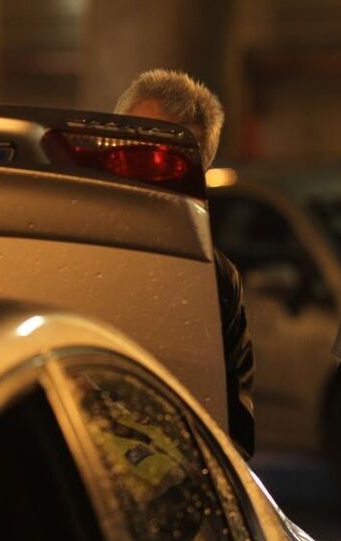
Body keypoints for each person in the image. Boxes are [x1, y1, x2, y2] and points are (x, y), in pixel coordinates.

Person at [115, 69, 256, 459]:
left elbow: (232, 432)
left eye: (170, 160)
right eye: (139, 147)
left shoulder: (214, 278)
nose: (149, 168)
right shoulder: (63, 238)